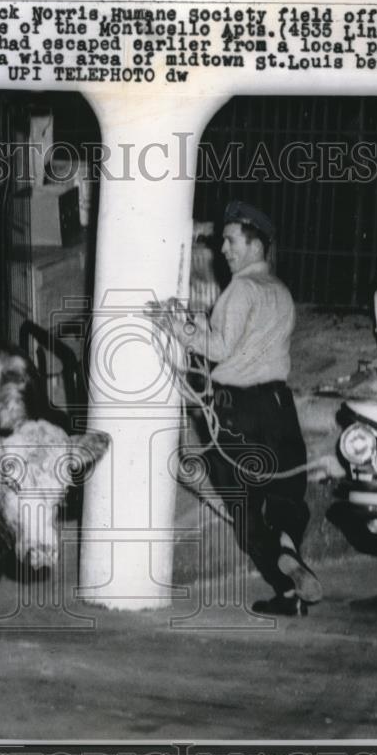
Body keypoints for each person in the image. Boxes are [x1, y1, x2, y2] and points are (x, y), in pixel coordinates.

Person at [150, 201, 322, 615]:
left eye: (230, 241)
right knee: (283, 496)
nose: (222, 249)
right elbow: (246, 341)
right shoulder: (279, 292)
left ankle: (280, 563)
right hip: (279, 407)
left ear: (254, 245)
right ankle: (288, 581)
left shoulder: (241, 289)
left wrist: (175, 327)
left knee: (243, 504)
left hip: (236, 409)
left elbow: (221, 347)